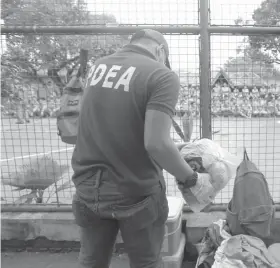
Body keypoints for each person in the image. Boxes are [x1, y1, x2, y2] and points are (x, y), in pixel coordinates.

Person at [71, 29, 203, 268]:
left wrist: (175, 147)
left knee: (91, 260)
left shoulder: (98, 67)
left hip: (88, 186)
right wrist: (190, 178)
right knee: (147, 263)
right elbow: (156, 143)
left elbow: (115, 126)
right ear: (160, 51)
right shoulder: (161, 75)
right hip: (135, 191)